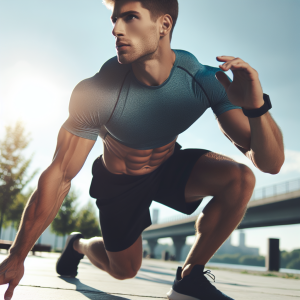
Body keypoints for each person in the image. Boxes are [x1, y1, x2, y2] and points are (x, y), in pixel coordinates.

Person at [0, 0, 285, 299]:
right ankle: (78, 245)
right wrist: (18, 255)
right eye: (115, 20)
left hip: (167, 164)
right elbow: (59, 175)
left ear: (164, 25)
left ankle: (189, 278)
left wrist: (256, 109)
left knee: (240, 178)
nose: (116, 29)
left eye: (130, 18)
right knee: (124, 270)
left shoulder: (203, 80)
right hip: (119, 182)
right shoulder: (97, 91)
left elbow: (269, 163)